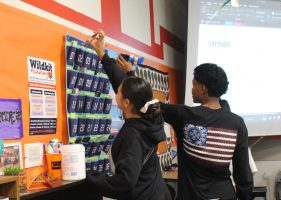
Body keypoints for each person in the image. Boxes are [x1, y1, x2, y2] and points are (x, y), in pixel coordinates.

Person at [115, 56, 253, 199]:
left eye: (194, 85)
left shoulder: (184, 115)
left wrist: (130, 73)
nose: (192, 89)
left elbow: (145, 102)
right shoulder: (238, 123)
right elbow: (243, 175)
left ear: (203, 88)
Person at [85, 31, 172, 200]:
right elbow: (133, 89)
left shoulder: (133, 135)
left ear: (126, 103)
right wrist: (102, 54)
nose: (115, 91)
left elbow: (125, 182)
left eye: (117, 91)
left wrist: (90, 179)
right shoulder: (151, 118)